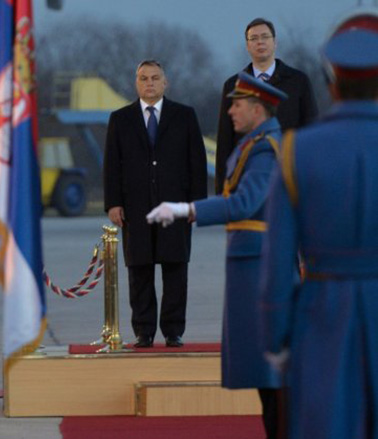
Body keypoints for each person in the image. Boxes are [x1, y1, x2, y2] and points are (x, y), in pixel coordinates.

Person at [147, 72, 288, 439]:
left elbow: (244, 203)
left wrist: (186, 209)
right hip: (250, 261)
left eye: (237, 105)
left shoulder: (265, 149)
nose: (230, 112)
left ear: (257, 109)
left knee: (272, 374)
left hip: (260, 264)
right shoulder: (255, 144)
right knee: (264, 373)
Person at [260, 9, 378, 439]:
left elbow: (277, 265)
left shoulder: (297, 151)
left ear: (331, 81)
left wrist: (276, 338)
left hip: (322, 317)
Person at [103, 59, 207, 348]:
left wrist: (196, 204)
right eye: (143, 78)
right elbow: (111, 164)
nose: (149, 83)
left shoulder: (184, 116)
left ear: (165, 82)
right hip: (135, 206)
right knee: (139, 269)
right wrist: (113, 203)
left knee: (176, 268)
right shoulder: (120, 119)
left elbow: (197, 162)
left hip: (175, 205)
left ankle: (173, 330)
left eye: (154, 78)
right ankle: (144, 330)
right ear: (136, 83)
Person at [215, 17, 318, 195]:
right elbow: (225, 141)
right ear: (247, 46)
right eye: (254, 38)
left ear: (275, 42)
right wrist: (221, 193)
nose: (260, 42)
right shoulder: (233, 85)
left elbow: (311, 132)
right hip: (246, 183)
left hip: (289, 178)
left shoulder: (298, 81)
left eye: (265, 37)